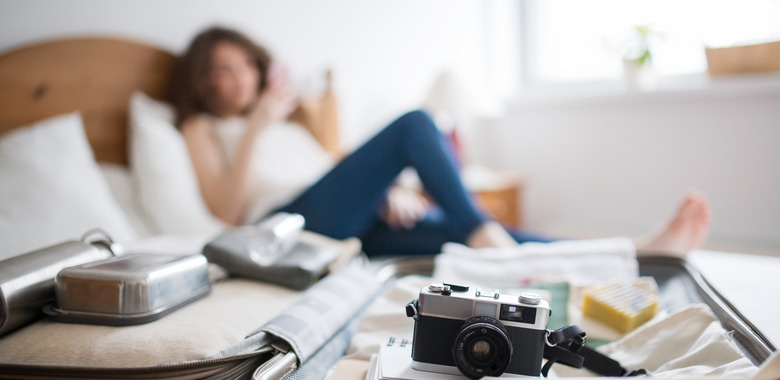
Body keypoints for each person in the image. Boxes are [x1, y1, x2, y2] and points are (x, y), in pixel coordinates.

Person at [171, 26, 711, 257]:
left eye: (246, 64)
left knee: (455, 237)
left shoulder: (292, 123)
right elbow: (226, 210)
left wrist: (383, 191)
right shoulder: (200, 126)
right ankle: (482, 229)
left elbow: (334, 177)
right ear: (201, 78)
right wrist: (258, 125)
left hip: (344, 228)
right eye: (224, 68)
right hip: (285, 229)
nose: (241, 77)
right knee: (413, 123)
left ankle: (633, 253)